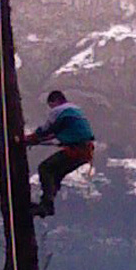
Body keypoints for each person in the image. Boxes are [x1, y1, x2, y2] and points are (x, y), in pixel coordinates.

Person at [24, 90, 95, 218]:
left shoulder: (57, 111)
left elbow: (45, 130)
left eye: (50, 105)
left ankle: (47, 205)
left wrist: (27, 139)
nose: (50, 109)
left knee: (45, 168)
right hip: (86, 152)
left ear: (54, 102)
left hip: (75, 150)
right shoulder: (76, 110)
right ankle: (46, 204)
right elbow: (54, 134)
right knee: (56, 174)